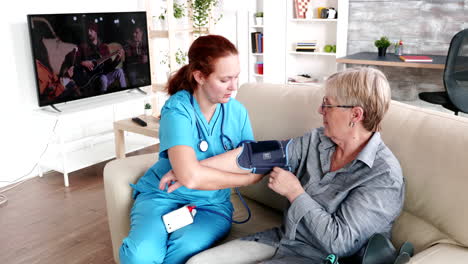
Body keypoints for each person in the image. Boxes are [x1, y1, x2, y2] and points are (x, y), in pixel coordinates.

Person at [163, 67, 405, 264]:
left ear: (356, 115)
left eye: (328, 105)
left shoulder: (384, 177)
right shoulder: (318, 140)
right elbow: (255, 156)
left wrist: (294, 192)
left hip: (323, 258)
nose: (321, 111)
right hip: (283, 240)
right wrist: (191, 169)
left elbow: (339, 243)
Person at [119, 35, 264, 264]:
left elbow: (255, 166)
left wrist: (195, 169)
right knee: (141, 255)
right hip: (162, 196)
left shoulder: (237, 112)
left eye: (236, 77)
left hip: (210, 206)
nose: (234, 87)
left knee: (183, 249)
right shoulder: (178, 109)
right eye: (225, 79)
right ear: (199, 76)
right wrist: (241, 177)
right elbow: (191, 177)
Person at [76, 22, 126, 94]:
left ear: (96, 32)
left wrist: (118, 58)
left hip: (106, 75)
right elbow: (75, 60)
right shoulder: (84, 47)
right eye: (88, 31)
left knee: (120, 71)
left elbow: (110, 67)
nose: (88, 33)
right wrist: (83, 62)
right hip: (93, 78)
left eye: (91, 30)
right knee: (103, 78)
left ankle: (124, 94)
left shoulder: (104, 47)